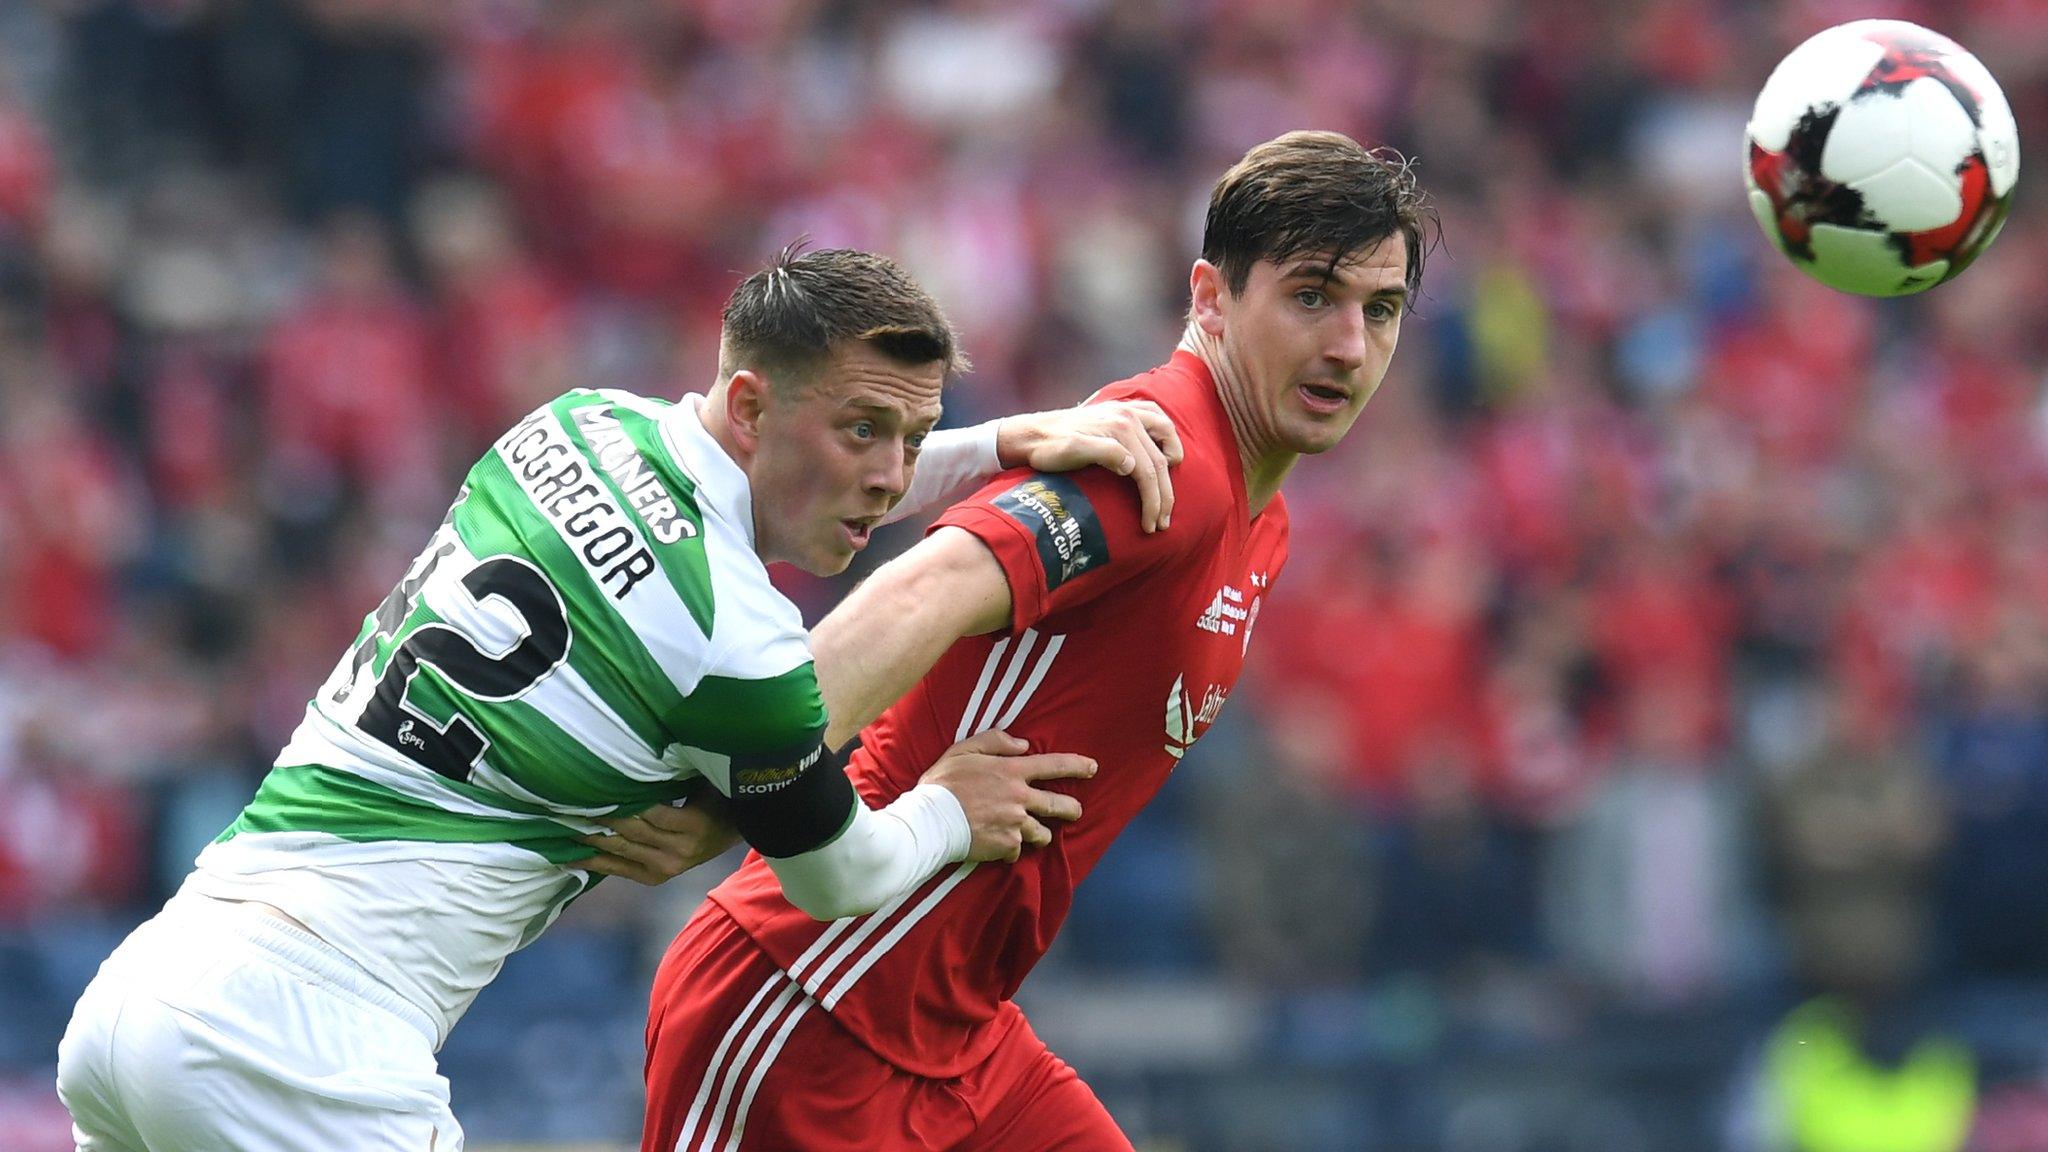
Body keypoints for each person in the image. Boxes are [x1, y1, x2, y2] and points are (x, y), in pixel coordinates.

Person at [56, 245, 1184, 1152]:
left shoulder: (574, 423)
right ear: (749, 404)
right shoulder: (741, 649)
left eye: (911, 434)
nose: (890, 472)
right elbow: (839, 876)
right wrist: (946, 807)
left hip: (147, 995)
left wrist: (988, 447)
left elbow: (774, 504)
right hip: (304, 1039)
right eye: (861, 429)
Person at [641, 129, 1433, 1151]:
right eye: (1311, 297)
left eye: (1381, 310)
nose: (1348, 346)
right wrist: (744, 782)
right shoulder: (1165, 462)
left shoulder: (1257, 512)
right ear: (1210, 299)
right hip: (811, 1004)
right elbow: (922, 586)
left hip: (960, 1036)